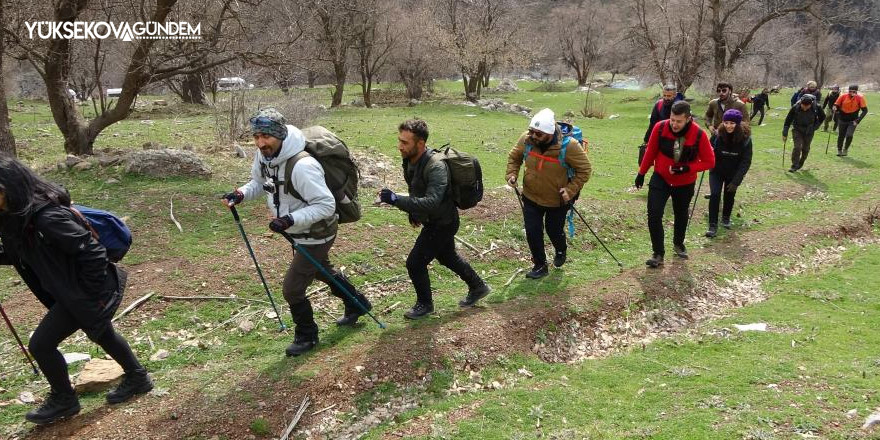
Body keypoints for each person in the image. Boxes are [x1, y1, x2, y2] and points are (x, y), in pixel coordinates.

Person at [0, 156, 152, 425]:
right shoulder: (16, 218)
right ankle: (137, 376)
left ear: (9, 188)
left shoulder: (47, 217)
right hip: (71, 291)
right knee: (100, 331)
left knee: (41, 344)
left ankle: (64, 399)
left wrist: (88, 296)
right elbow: (19, 252)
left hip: (87, 289)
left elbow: (93, 252)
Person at [222, 108, 371, 356]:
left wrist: (289, 219)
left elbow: (326, 205)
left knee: (292, 289)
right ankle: (357, 303)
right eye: (257, 137)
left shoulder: (303, 166)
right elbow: (259, 183)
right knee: (321, 269)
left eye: (266, 137)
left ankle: (307, 336)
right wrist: (240, 194)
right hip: (296, 231)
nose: (260, 142)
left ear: (279, 135)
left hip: (317, 232)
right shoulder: (264, 157)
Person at [379, 120, 490, 319]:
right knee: (447, 256)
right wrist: (413, 212)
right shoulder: (410, 159)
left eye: (405, 142)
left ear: (420, 144)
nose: (400, 147)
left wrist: (396, 200)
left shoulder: (436, 166)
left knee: (415, 263)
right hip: (434, 220)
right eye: (399, 141)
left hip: (443, 223)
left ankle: (425, 304)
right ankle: (478, 286)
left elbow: (431, 201)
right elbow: (416, 189)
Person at [506, 108, 592, 279]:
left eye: (538, 134)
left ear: (550, 133)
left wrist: (570, 190)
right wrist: (511, 174)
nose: (533, 136)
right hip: (530, 195)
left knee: (554, 230)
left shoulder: (570, 146)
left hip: (557, 200)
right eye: (531, 131)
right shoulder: (527, 139)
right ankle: (539, 265)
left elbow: (585, 170)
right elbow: (514, 156)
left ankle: (561, 250)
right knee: (532, 231)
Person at [634, 101, 715, 268]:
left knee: (680, 214)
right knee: (654, 214)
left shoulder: (699, 134)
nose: (674, 124)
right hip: (661, 178)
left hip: (685, 182)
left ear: (688, 119)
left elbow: (710, 162)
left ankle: (678, 244)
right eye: (672, 119)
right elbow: (651, 151)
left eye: (679, 121)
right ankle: (658, 253)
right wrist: (641, 173)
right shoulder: (660, 128)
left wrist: (688, 167)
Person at [706, 109, 752, 238]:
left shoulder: (745, 139)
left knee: (729, 194)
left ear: (737, 123)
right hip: (717, 171)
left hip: (733, 172)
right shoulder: (717, 135)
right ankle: (712, 225)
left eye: (732, 123)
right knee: (715, 195)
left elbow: (746, 161)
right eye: (726, 122)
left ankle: (726, 217)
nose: (728, 126)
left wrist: (736, 181)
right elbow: (708, 150)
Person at [782, 94, 825, 172]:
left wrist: (815, 127)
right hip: (797, 129)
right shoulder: (795, 107)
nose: (804, 108)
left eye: (807, 106)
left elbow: (822, 117)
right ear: (801, 103)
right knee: (797, 147)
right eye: (803, 106)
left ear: (810, 104)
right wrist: (785, 132)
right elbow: (788, 120)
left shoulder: (816, 107)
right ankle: (794, 165)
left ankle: (801, 162)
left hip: (809, 130)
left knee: (805, 149)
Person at [640, 84, 679, 165]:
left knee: (673, 163)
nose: (666, 98)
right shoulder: (659, 104)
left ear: (674, 95)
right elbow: (652, 123)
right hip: (660, 138)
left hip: (676, 139)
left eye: (669, 96)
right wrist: (646, 140)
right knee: (659, 162)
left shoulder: (680, 106)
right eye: (664, 95)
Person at [832, 84, 869, 157]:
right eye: (850, 91)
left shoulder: (860, 98)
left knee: (849, 135)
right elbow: (836, 105)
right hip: (842, 119)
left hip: (853, 120)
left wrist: (858, 120)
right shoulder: (843, 96)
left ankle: (845, 149)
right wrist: (835, 108)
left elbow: (865, 110)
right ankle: (839, 150)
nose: (851, 92)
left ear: (856, 91)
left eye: (854, 91)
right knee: (841, 135)